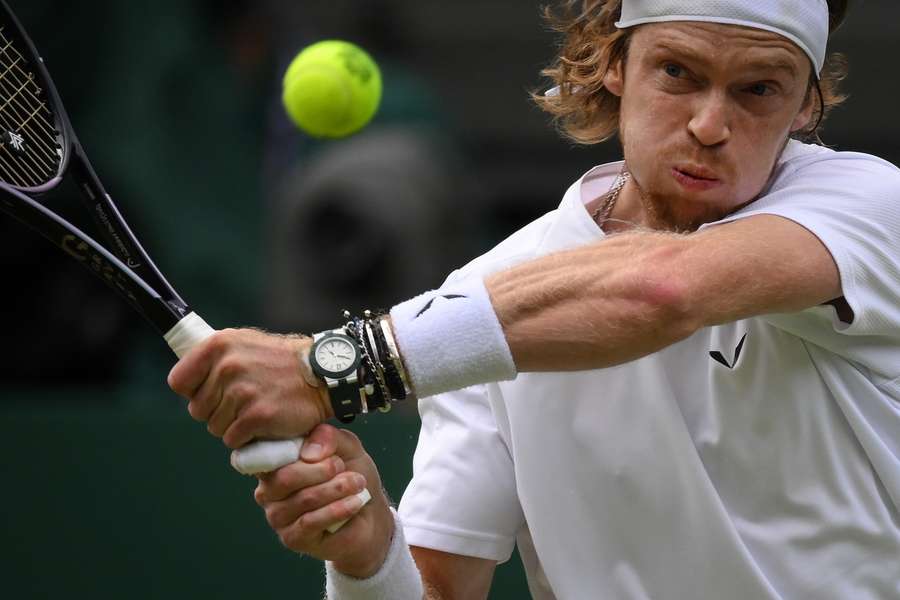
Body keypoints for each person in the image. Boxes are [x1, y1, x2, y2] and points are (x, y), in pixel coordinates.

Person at [168, 0, 900, 598]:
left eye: (758, 89)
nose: (710, 125)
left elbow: (663, 289)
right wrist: (366, 557)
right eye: (677, 72)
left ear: (806, 105)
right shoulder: (480, 307)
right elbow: (435, 590)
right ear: (615, 64)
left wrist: (332, 370)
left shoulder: (867, 206)